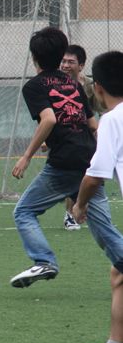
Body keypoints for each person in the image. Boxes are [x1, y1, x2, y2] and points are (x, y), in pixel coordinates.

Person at [9, 27, 97, 288]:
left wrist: (26, 156)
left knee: (24, 211)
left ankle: (44, 260)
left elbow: (48, 119)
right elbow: (93, 125)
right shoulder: (74, 84)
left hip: (65, 162)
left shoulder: (34, 86)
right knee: (99, 220)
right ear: (60, 57)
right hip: (88, 157)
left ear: (34, 57)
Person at [72, 50, 123, 343]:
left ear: (98, 87)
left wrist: (79, 205)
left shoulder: (112, 121)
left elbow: (95, 175)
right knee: (119, 273)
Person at [59, 44, 107, 231]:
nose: (65, 65)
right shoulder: (55, 83)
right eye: (63, 61)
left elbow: (100, 108)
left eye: (70, 62)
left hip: (86, 139)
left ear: (81, 65)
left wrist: (101, 132)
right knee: (72, 176)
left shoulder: (87, 84)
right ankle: (70, 213)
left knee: (90, 175)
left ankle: (86, 212)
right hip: (64, 138)